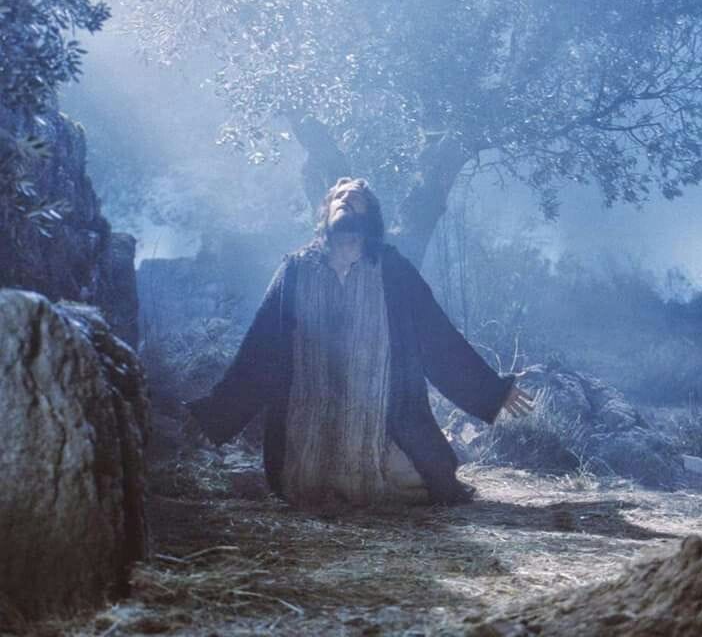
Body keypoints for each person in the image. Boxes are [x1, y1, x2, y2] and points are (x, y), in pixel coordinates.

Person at [188, 177, 534, 507]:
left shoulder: (392, 271)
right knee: (304, 488)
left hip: (377, 425)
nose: (345, 200)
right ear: (325, 213)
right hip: (307, 433)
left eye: (355, 198)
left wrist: (491, 390)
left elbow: (437, 337)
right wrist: (215, 416)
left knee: (425, 480)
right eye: (338, 197)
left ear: (370, 217)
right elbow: (259, 351)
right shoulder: (294, 270)